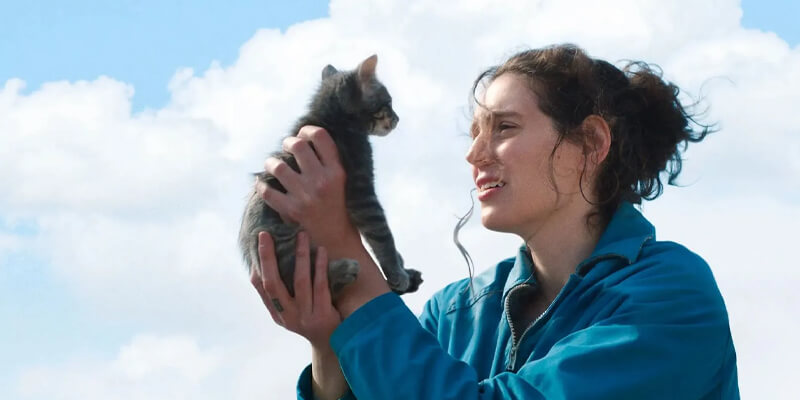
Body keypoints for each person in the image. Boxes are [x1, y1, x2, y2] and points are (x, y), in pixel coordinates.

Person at [250, 44, 740, 399]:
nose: (474, 154)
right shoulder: (455, 313)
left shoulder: (670, 295)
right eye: (474, 133)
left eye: (503, 127)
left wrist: (351, 263)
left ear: (591, 144)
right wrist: (330, 343)